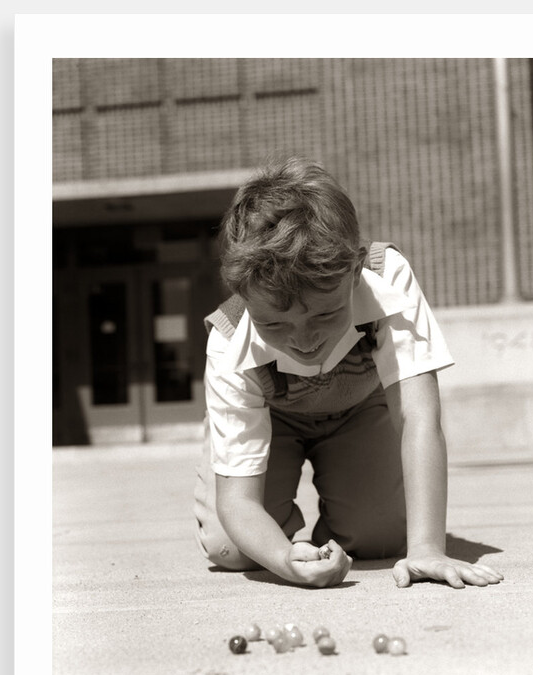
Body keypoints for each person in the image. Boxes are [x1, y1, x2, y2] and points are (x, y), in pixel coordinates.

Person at [193, 156, 504, 591]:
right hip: (271, 418)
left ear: (354, 270)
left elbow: (418, 416)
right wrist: (285, 560)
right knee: (233, 548)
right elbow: (239, 501)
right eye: (276, 325)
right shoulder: (230, 337)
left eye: (324, 315)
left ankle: (343, 524)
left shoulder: (386, 276)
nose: (303, 340)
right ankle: (284, 531)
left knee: (379, 539)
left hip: (360, 409)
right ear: (243, 296)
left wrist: (427, 548)